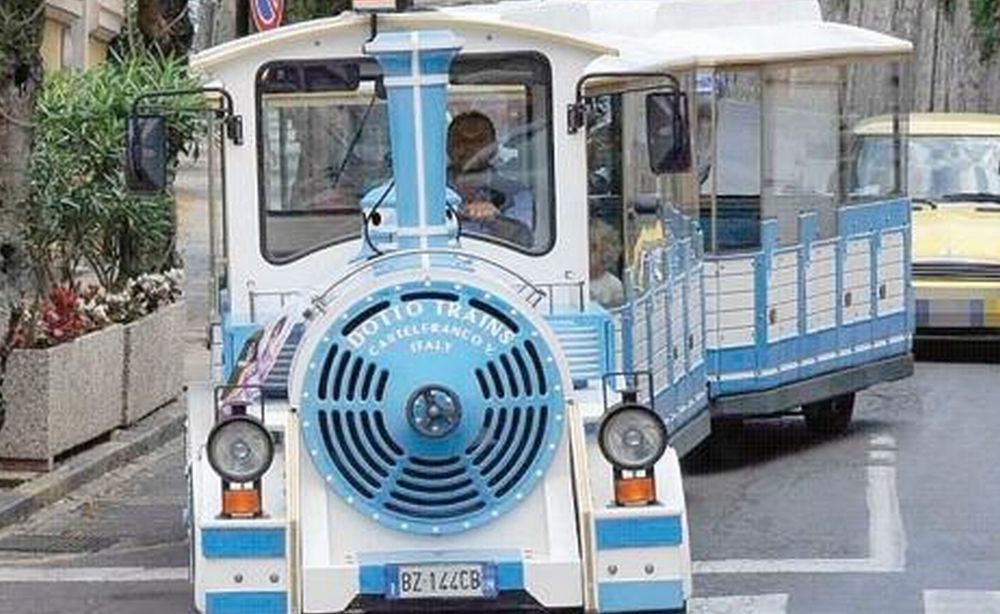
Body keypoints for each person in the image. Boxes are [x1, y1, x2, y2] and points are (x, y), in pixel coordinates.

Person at [447, 111, 535, 247]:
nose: (469, 147)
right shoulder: (432, 190)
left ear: (493, 147)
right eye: (461, 141)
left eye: (479, 141)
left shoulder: (515, 191)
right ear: (448, 147)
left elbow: (523, 239)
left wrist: (493, 219)